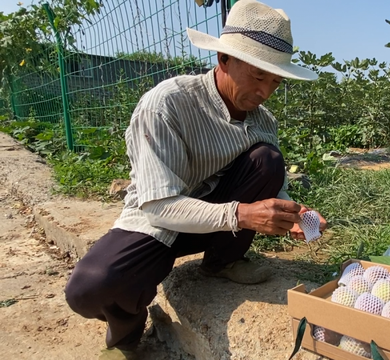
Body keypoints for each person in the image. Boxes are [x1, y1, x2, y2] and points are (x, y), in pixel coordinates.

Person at [63, 1, 327, 359]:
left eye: (276, 82)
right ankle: (126, 338)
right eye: (258, 77)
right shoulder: (167, 104)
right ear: (224, 61)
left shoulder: (263, 121)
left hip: (217, 222)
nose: (265, 92)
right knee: (89, 288)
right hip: (156, 223)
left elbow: (267, 182)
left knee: (268, 159)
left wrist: (292, 212)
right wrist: (242, 216)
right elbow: (158, 205)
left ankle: (222, 262)